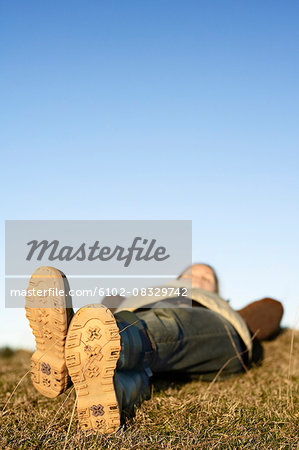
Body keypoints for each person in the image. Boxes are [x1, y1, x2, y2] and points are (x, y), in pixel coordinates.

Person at [25, 264, 283, 434]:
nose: (200, 278)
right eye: (193, 274)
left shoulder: (219, 307)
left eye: (207, 277)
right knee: (135, 375)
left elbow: (272, 309)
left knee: (171, 324)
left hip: (211, 338)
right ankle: (113, 391)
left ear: (217, 290)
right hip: (146, 346)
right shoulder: (149, 296)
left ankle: (107, 343)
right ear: (178, 280)